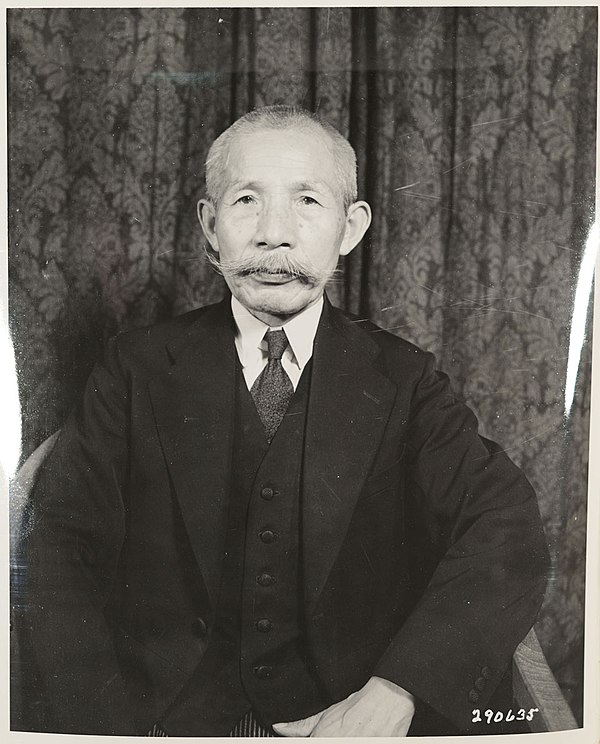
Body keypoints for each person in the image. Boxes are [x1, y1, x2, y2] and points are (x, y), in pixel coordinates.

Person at [13, 105, 550, 737]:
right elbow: (56, 550)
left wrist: (397, 692)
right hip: (163, 722)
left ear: (351, 228)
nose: (275, 234)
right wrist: (106, 728)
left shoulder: (403, 380)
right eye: (245, 201)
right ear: (210, 226)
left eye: (307, 203)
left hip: (342, 717)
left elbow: (506, 528)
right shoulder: (137, 369)